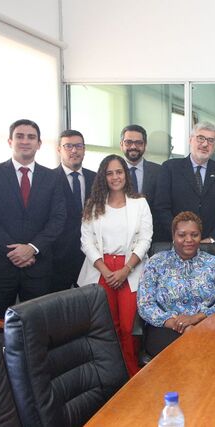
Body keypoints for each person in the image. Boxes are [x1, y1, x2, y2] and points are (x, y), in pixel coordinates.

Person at [0, 119, 66, 319]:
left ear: (39, 144)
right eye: (20, 136)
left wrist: (32, 248)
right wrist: (16, 251)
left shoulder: (52, 178)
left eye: (31, 137)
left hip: (38, 267)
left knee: (38, 329)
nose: (25, 141)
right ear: (10, 141)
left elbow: (58, 219)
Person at [77, 154, 153, 377]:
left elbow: (145, 239)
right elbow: (86, 241)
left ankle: (131, 375)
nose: (115, 177)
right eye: (109, 173)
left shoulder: (139, 203)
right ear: (103, 177)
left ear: (125, 174)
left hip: (130, 269)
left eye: (119, 172)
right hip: (101, 270)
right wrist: (106, 270)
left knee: (129, 328)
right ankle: (108, 376)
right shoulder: (94, 205)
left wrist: (125, 269)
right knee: (107, 328)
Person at [137, 211, 215, 356]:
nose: (189, 239)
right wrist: (178, 324)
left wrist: (197, 318)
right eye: (182, 235)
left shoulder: (214, 264)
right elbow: (145, 304)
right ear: (173, 236)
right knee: (185, 352)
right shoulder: (156, 263)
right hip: (165, 328)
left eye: (194, 235)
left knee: (211, 349)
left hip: (208, 324)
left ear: (201, 236)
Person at [154, 121, 215, 244]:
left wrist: (213, 239)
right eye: (200, 138)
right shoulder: (170, 168)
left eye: (210, 140)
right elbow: (161, 207)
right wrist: (179, 235)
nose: (205, 144)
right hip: (177, 244)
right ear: (190, 140)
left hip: (211, 247)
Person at [51, 130, 96, 292]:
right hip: (57, 258)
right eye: (68, 146)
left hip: (90, 258)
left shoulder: (97, 179)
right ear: (59, 149)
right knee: (57, 311)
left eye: (78, 146)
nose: (74, 151)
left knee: (88, 310)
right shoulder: (48, 179)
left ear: (84, 149)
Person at [119, 124, 164, 240]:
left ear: (145, 145)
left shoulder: (159, 172)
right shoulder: (111, 172)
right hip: (120, 237)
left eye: (139, 143)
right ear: (121, 145)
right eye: (128, 142)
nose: (133, 146)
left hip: (153, 237)